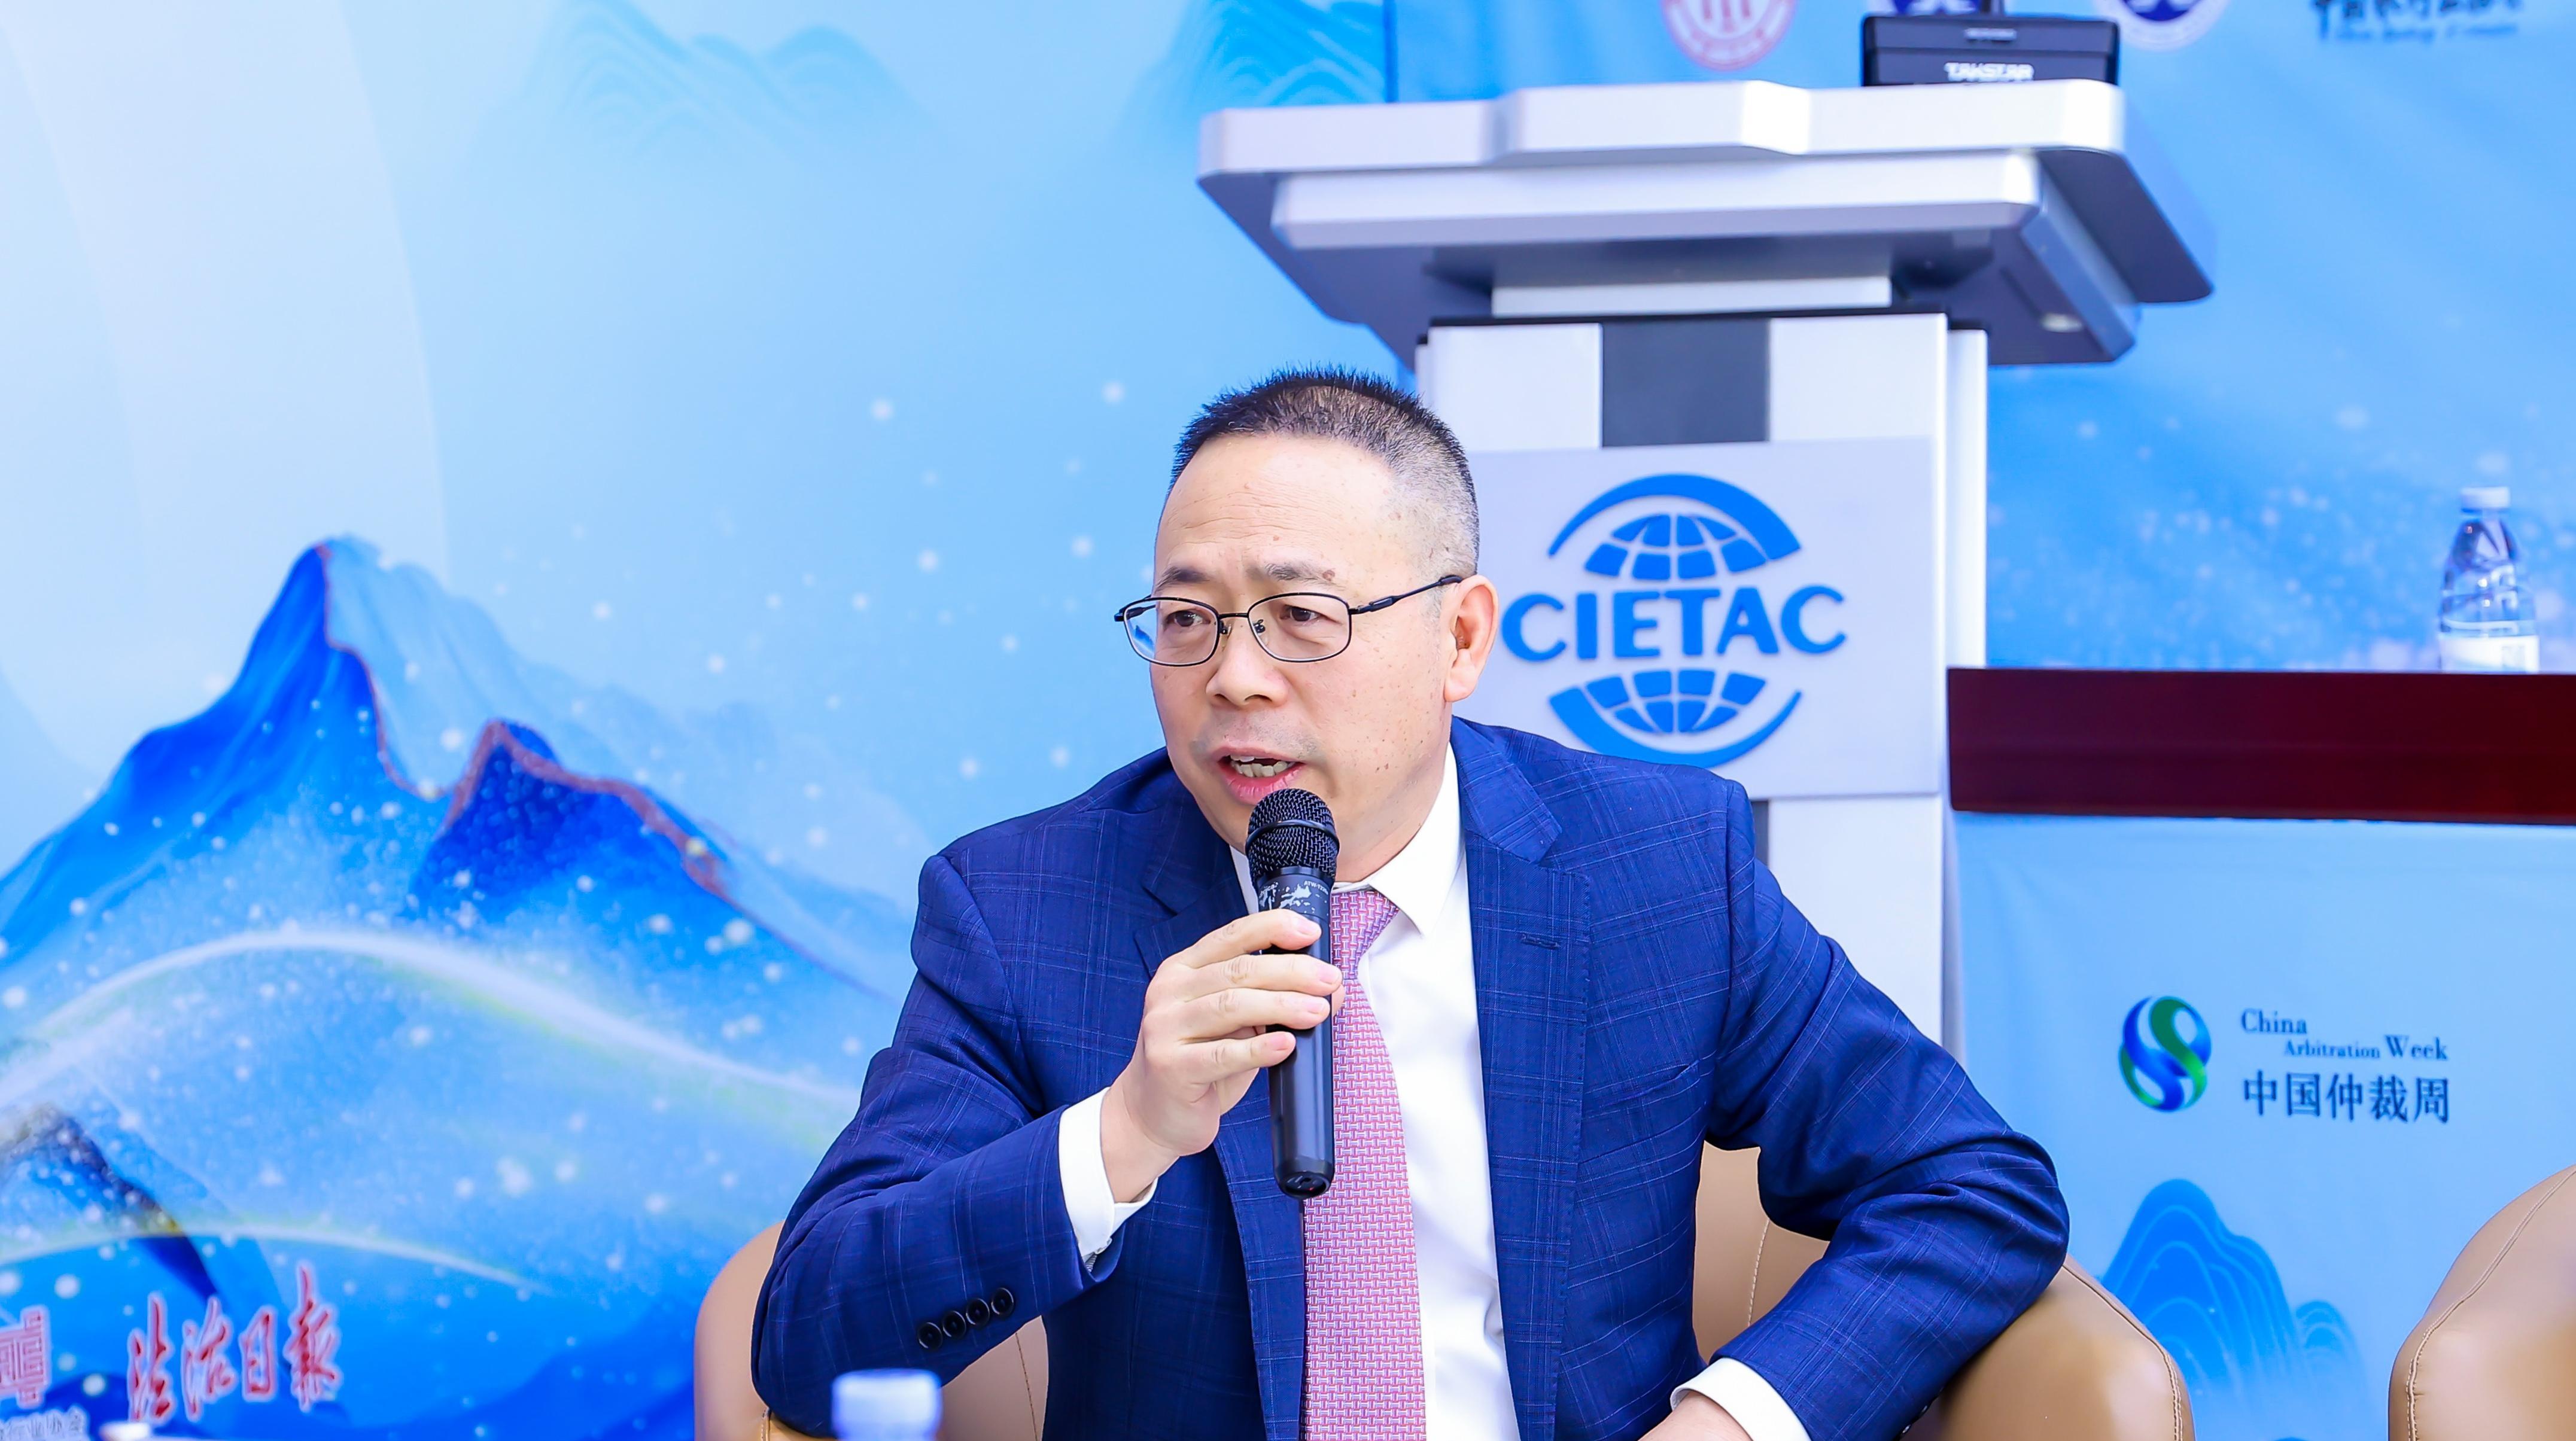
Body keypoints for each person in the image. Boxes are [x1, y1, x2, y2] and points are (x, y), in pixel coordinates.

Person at [754, 368, 2067, 1441]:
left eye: (1299, 615)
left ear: (1459, 637)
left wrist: (1734, 1420)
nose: (1234, 677)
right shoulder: (1024, 907)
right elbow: (812, 1340)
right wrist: (1122, 1129)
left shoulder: (1655, 867)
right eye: (1186, 618)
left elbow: (1967, 1183)